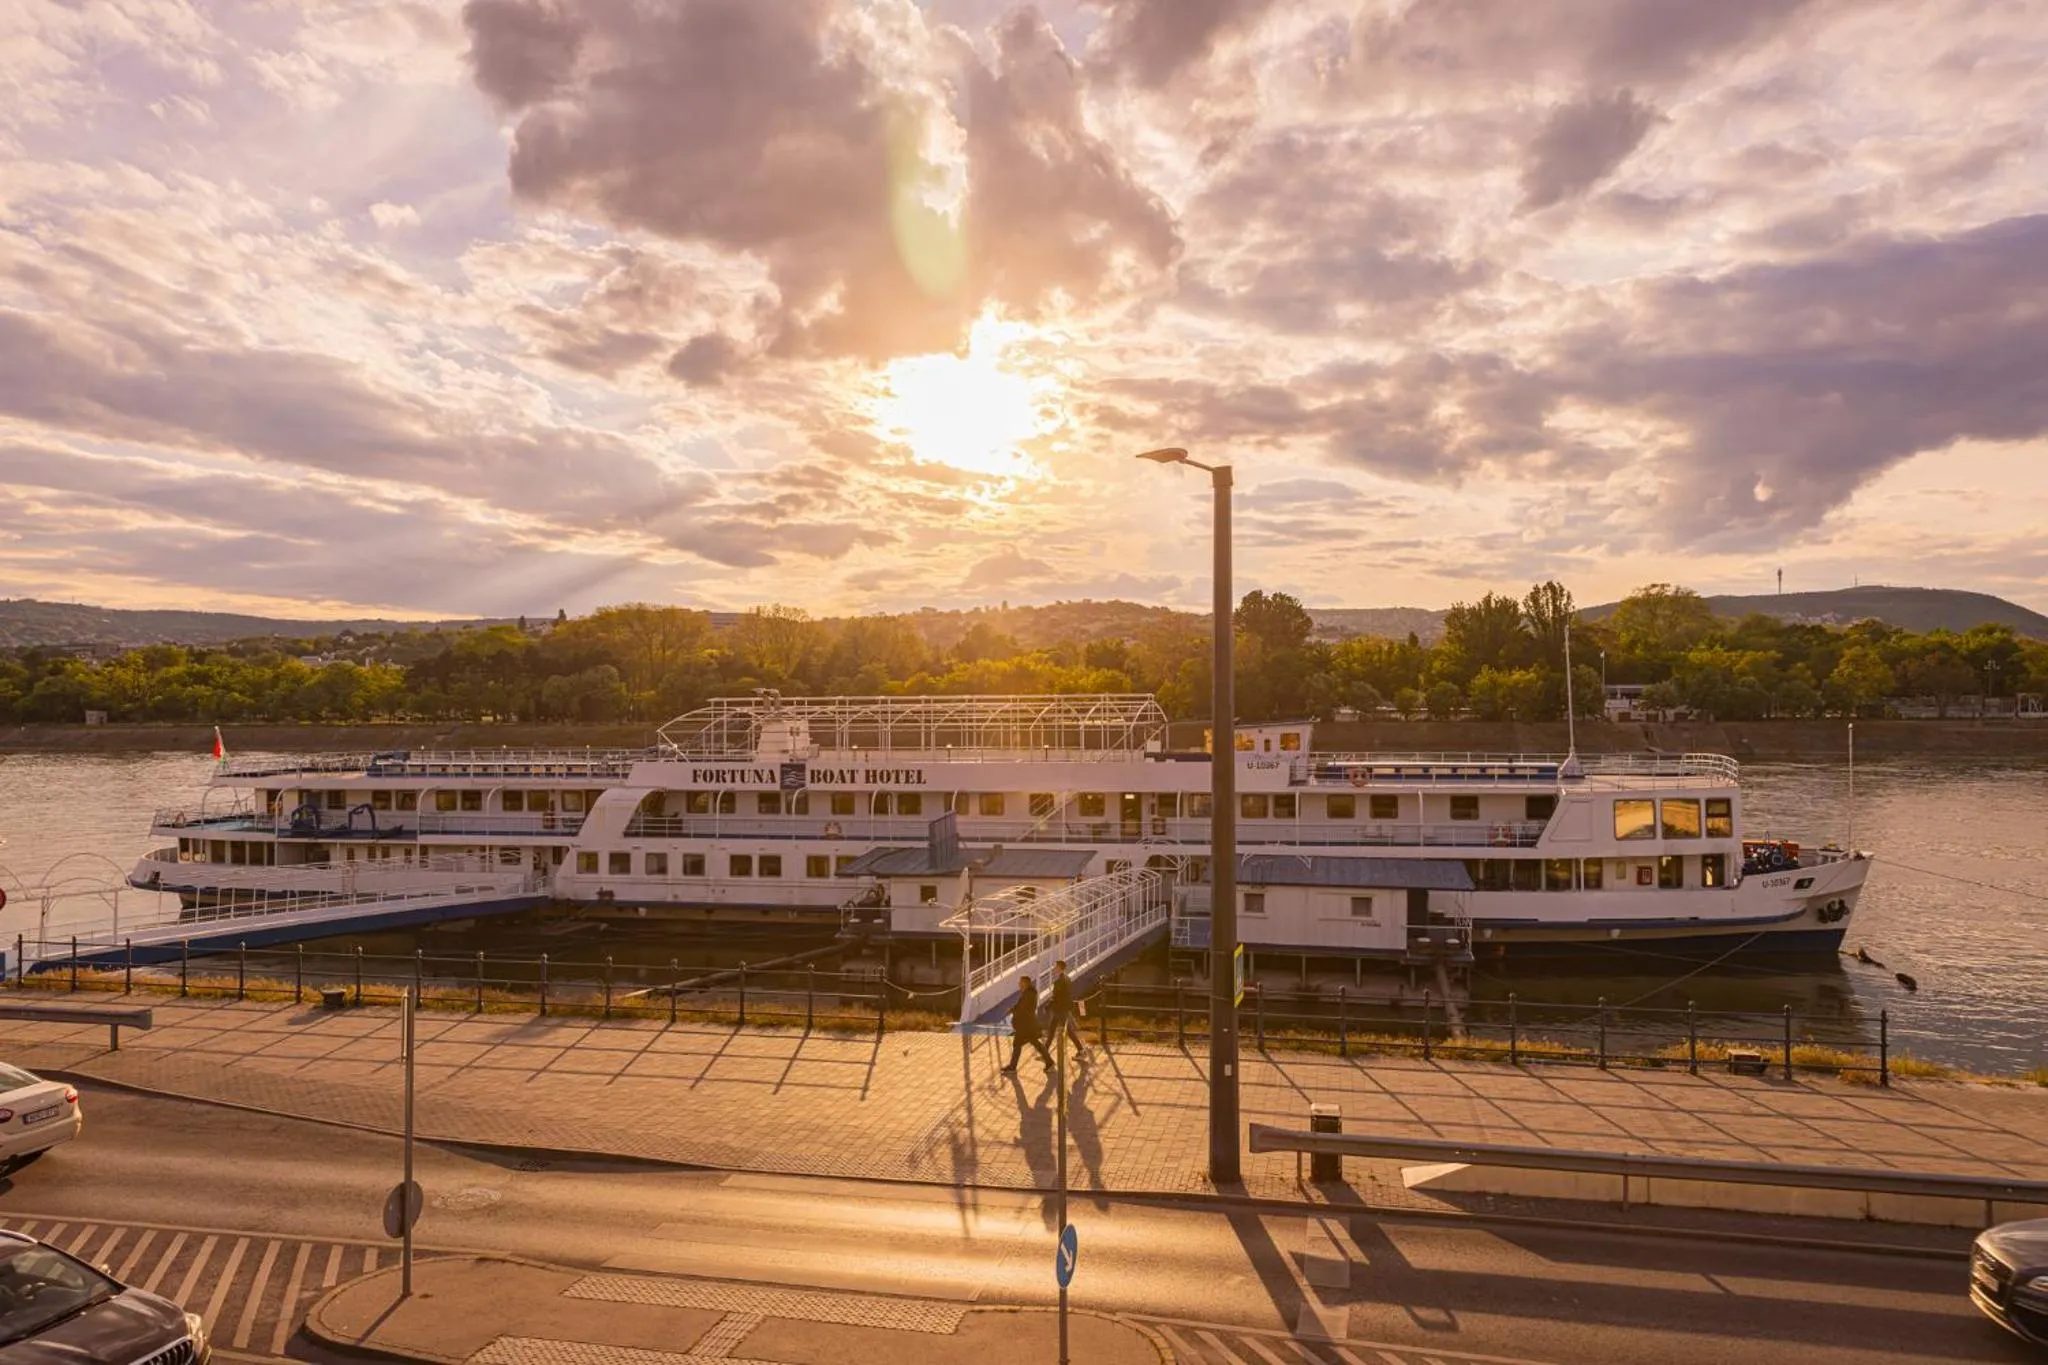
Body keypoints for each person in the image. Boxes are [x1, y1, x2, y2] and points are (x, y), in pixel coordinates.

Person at [1002, 973, 1056, 1076]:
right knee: (1035, 1043)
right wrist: (1012, 1010)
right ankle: (1050, 1063)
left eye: (1020, 982)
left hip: (1025, 1024)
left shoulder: (1028, 994)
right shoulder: (1029, 993)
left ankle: (1012, 1067)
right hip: (1029, 1024)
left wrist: (1013, 1013)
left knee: (1018, 1044)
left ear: (1025, 983)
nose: (1018, 984)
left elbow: (1022, 1008)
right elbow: (1020, 1006)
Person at [1047, 958, 1087, 1060]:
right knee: (1052, 1029)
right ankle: (1045, 1052)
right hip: (1063, 1008)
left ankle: (1081, 1051)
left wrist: (1048, 1006)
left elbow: (1055, 997)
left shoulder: (1059, 982)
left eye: (1055, 966)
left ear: (1059, 968)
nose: (1054, 968)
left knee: (1069, 1031)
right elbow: (1067, 994)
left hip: (1060, 1009)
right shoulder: (1067, 979)